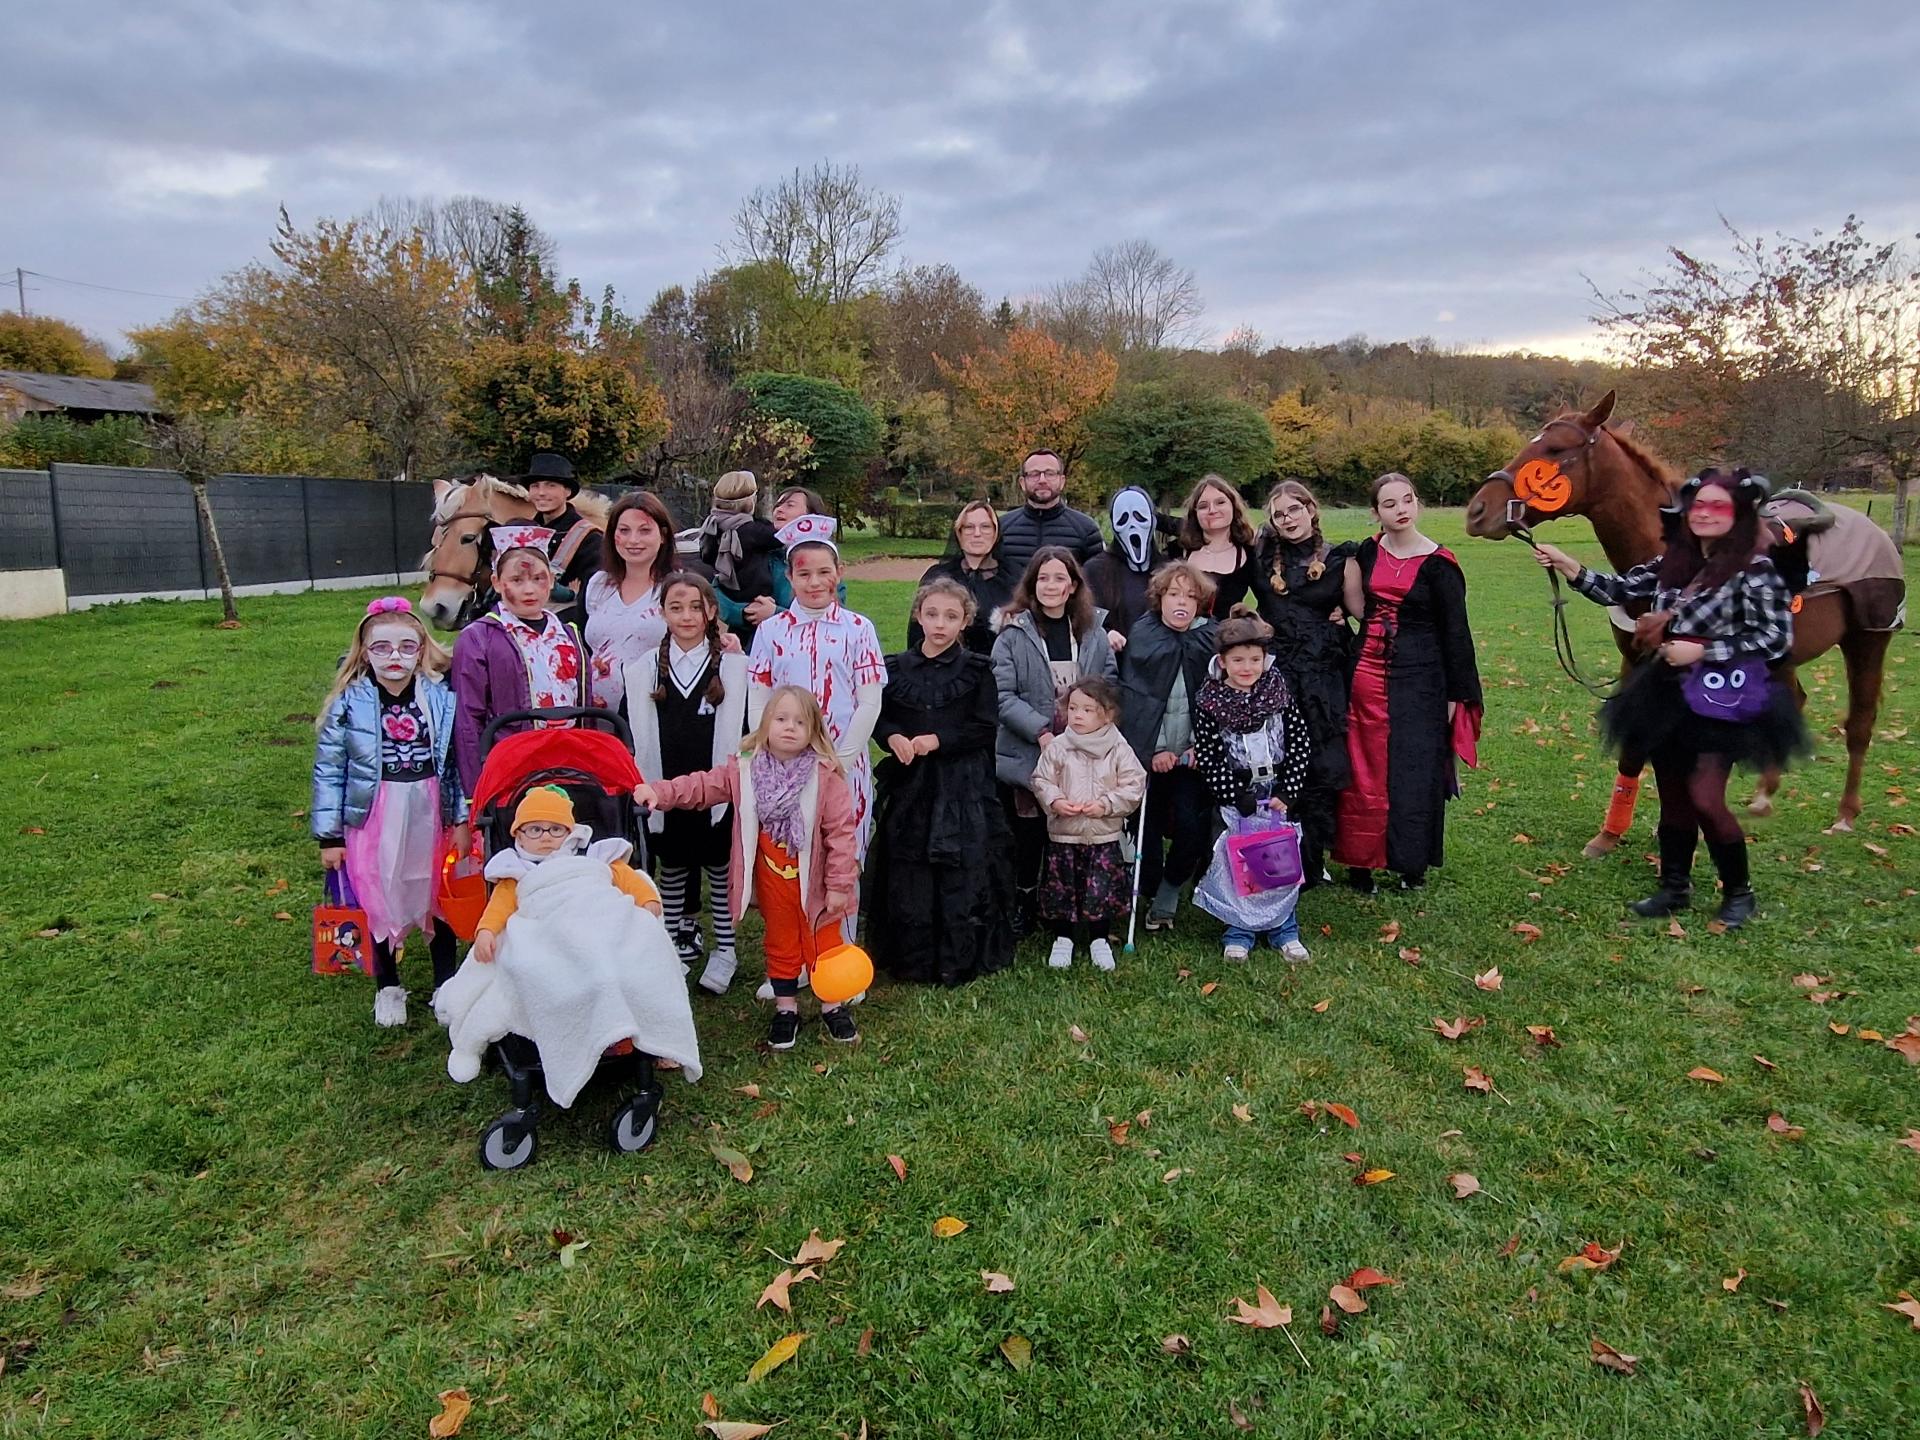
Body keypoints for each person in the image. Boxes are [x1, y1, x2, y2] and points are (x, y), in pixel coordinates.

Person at [1532, 468, 1806, 929]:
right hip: (1667, 694)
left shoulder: (1756, 569)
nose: (1705, 514)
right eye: (1699, 505)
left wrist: (1704, 649)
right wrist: (1568, 565)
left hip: (1724, 697)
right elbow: (1618, 589)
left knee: (1705, 795)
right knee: (1674, 796)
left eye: (1718, 507)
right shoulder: (1671, 563)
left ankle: (1739, 893)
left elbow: (1776, 641)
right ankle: (1674, 887)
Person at [436, 783, 702, 1103]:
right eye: (535, 829)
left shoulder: (594, 854)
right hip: (547, 929)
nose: (546, 836)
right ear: (518, 835)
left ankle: (642, 1030)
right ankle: (583, 1030)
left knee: (638, 953)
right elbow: (499, 908)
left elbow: (627, 879)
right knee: (539, 967)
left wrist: (646, 902)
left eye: (555, 829)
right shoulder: (515, 869)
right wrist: (486, 933)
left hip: (599, 917)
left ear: (570, 831)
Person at [634, 686, 862, 1049]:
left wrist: (838, 883)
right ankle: (786, 1009)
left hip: (815, 885)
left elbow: (841, 834)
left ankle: (832, 1005)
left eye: (800, 722)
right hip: (773, 882)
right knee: (781, 942)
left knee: (824, 944)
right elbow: (702, 786)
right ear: (765, 724)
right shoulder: (745, 769)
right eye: (781, 719)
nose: (789, 728)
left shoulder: (825, 777)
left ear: (814, 730)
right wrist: (659, 793)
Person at [313, 596, 468, 1027]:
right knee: (376, 894)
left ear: (422, 649)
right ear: (364, 651)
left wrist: (458, 818)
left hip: (428, 807)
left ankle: (445, 983)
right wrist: (330, 836)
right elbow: (330, 768)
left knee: (436, 892)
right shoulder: (350, 703)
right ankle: (388, 985)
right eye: (382, 648)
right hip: (375, 813)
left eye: (406, 646)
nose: (394, 657)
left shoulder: (440, 698)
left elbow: (453, 762)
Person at [1333, 474, 1483, 892]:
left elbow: (1457, 634)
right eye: (1389, 503)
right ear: (1375, 513)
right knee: (1363, 765)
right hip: (1366, 671)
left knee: (1415, 769)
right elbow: (1353, 599)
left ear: (1417, 504)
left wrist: (1457, 694)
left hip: (1422, 679)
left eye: (1407, 500)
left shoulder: (1440, 563)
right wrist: (1336, 610)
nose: (1400, 509)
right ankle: (1359, 863)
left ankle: (1410, 862)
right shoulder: (1367, 551)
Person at [867, 578, 1017, 985]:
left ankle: (955, 957)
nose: (940, 624)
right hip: (911, 783)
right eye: (932, 614)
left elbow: (986, 728)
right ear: (918, 615)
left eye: (951, 616)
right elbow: (880, 717)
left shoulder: (978, 670)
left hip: (962, 784)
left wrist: (940, 740)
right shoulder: (894, 668)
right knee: (909, 864)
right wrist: (892, 736)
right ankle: (912, 957)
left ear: (965, 621)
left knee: (959, 868)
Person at [621, 573, 748, 992]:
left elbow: (750, 729)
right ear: (661, 613)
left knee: (719, 867)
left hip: (718, 791)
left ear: (712, 611)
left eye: (696, 606)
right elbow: (628, 730)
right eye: (676, 607)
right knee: (672, 865)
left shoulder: (735, 668)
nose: (687, 615)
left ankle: (725, 949)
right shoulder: (641, 671)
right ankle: (674, 942)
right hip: (666, 786)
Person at [992, 546, 1119, 935]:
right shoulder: (1013, 635)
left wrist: (1091, 726)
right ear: (1032, 584)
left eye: (1059, 577)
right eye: (1043, 577)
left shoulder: (1093, 632)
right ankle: (1025, 901)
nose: (1051, 585)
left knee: (1078, 830)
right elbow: (1002, 695)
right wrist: (1042, 733)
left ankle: (1077, 905)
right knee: (1030, 835)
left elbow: (1110, 683)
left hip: (1087, 751)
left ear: (1073, 585)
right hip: (1032, 751)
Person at [1190, 607, 1313, 962]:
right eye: (1239, 660)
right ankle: (1239, 929)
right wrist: (1233, 794)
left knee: (1279, 862)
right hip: (1237, 796)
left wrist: (1288, 790)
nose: (1247, 668)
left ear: (1265, 659)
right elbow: (1210, 756)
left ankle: (1284, 929)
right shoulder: (1210, 701)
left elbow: (1300, 741)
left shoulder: (1277, 692)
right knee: (1239, 862)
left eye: (1255, 659)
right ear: (1223, 662)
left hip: (1275, 791)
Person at [1253, 480, 1357, 883]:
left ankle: (1315, 860)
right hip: (1279, 672)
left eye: (1294, 509)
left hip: (1324, 673)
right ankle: (1280, 854)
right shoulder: (1261, 560)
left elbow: (1360, 610)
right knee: (1280, 760)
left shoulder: (1339, 558)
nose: (1288, 519)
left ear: (1311, 509)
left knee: (1321, 763)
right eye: (1279, 514)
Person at [449, 527, 588, 807]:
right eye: (517, 579)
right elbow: (468, 717)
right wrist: (476, 791)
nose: (529, 589)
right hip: (510, 768)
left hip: (569, 765)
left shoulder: (569, 633)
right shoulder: (479, 637)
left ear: (551, 581)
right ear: (497, 582)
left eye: (538, 579)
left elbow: (584, 704)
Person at [1117, 562, 1219, 931]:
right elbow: (1137, 697)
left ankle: (1169, 893)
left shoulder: (1210, 638)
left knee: (1193, 827)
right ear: (1159, 598)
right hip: (1151, 755)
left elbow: (1215, 701)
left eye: (1191, 597)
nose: (1182, 603)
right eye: (1174, 594)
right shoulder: (1144, 634)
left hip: (1193, 757)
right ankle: (1149, 884)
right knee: (1150, 826)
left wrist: (1197, 746)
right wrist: (1155, 749)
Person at [1028, 677, 1147, 971]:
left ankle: (1099, 939)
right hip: (1065, 835)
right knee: (1063, 888)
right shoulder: (1058, 747)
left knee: (1101, 890)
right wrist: (1055, 801)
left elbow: (1134, 784)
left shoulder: (1118, 748)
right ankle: (1063, 938)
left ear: (1107, 715)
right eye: (1073, 708)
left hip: (1102, 836)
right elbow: (1041, 780)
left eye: (1087, 710)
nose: (1077, 716)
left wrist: (1106, 805)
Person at [584, 490, 678, 713]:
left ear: (663, 535)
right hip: (596, 714)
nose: (633, 540)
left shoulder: (677, 589)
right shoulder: (598, 585)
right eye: (624, 531)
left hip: (654, 711)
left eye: (644, 531)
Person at [715, 485, 843, 632]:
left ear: (811, 515)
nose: (779, 510)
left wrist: (775, 614)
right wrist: (742, 613)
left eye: (790, 505)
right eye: (778, 505)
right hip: (748, 647)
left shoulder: (825, 563)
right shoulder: (754, 549)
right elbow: (715, 592)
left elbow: (835, 615)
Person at [908, 500, 1014, 656]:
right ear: (959, 533)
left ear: (995, 532)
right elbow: (918, 632)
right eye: (969, 527)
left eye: (985, 527)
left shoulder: (1013, 576)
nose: (977, 534)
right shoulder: (938, 576)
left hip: (1000, 669)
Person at [517, 453, 603, 630]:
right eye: (535, 486)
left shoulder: (591, 539)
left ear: (568, 492)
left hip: (565, 630)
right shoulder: (521, 532)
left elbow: (591, 600)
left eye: (551, 486)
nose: (541, 493)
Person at [697, 471, 781, 646]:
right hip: (760, 606)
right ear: (750, 500)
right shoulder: (751, 532)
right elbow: (784, 535)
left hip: (733, 606)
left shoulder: (712, 527)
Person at [1085, 485, 1173, 644]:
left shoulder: (1169, 569)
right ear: (1113, 525)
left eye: (1140, 517)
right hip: (1115, 663)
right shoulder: (1096, 570)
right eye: (1123, 519)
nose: (1132, 525)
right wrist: (1104, 633)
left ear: (1153, 521)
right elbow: (1085, 616)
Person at [997, 449, 1103, 575]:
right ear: (1022, 482)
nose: (1042, 480)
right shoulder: (1001, 528)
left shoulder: (1086, 529)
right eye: (1034, 474)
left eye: (1050, 473)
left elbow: (1097, 583)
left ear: (1062, 481)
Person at [1176, 474, 1261, 613]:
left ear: (1233, 507)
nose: (1212, 510)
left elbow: (1270, 605)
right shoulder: (1177, 551)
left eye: (1220, 502)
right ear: (1195, 513)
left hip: (1226, 633)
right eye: (1203, 506)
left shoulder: (1252, 555)